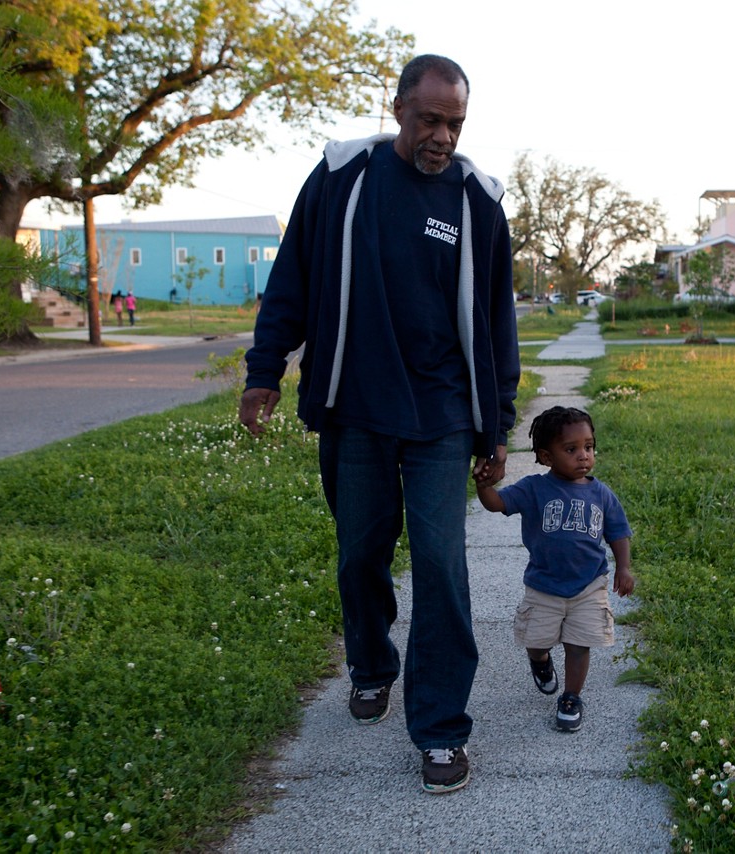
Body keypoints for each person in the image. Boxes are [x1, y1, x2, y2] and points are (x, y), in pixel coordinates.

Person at [238, 54, 519, 794]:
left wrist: (498, 425)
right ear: (397, 108)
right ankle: (371, 664)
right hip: (355, 407)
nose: (442, 136)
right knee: (359, 554)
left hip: (442, 416)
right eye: (430, 119)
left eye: (455, 123)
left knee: (441, 567)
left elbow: (496, 322)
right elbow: (291, 278)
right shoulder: (341, 179)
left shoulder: (477, 203)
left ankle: (441, 730)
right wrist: (264, 371)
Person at [474, 406, 633, 732]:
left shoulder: (601, 493)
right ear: (546, 457)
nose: (583, 456)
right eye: (571, 449)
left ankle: (572, 696)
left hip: (589, 585)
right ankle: (541, 662)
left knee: (579, 644)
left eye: (588, 447)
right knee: (537, 640)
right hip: (544, 585)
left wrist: (624, 568)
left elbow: (618, 532)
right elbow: (498, 504)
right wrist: (483, 486)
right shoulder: (533, 489)